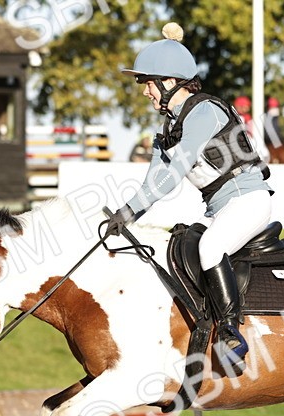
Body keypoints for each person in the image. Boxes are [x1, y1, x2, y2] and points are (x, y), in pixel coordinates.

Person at [106, 23, 272, 370]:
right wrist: (126, 216)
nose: (145, 92)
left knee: (210, 247)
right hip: (220, 207)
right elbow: (154, 180)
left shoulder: (205, 111)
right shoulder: (168, 127)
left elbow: (175, 172)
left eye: (147, 83)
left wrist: (130, 211)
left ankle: (230, 332)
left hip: (249, 200)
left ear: (168, 82)